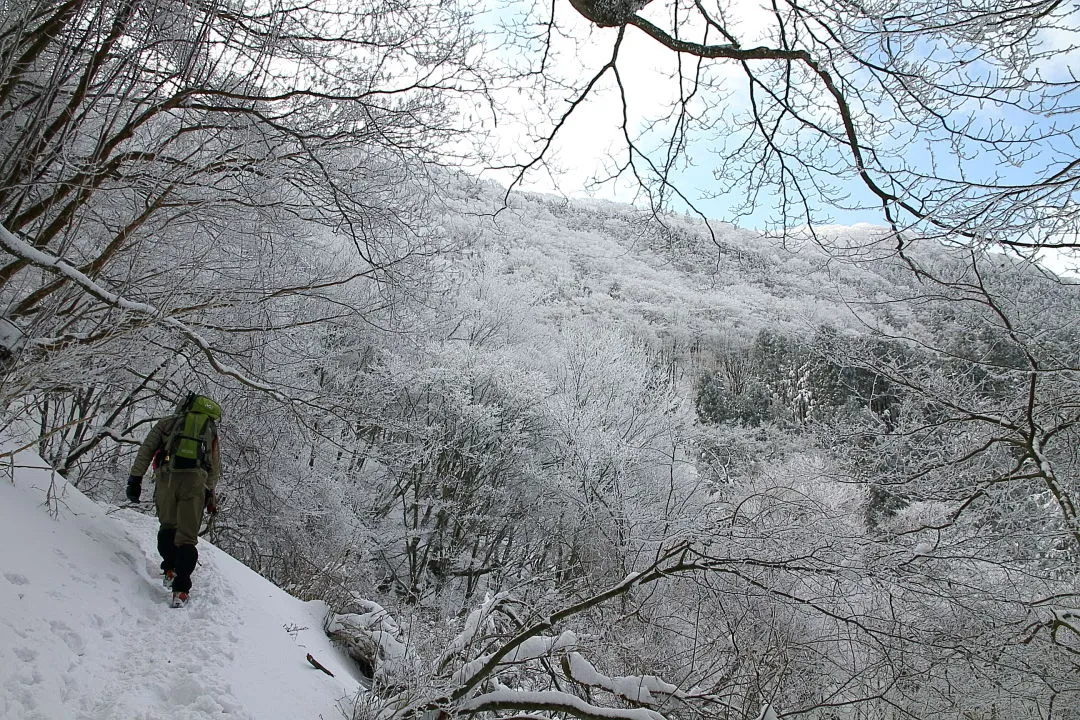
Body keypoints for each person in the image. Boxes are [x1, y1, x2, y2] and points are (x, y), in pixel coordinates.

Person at [126, 394, 221, 608]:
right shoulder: (210, 431)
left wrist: (135, 479)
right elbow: (214, 468)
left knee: (168, 526)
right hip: (195, 482)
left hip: (167, 479)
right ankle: (181, 590)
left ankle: (169, 569)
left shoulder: (167, 424)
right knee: (187, 538)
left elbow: (146, 451)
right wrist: (209, 493)